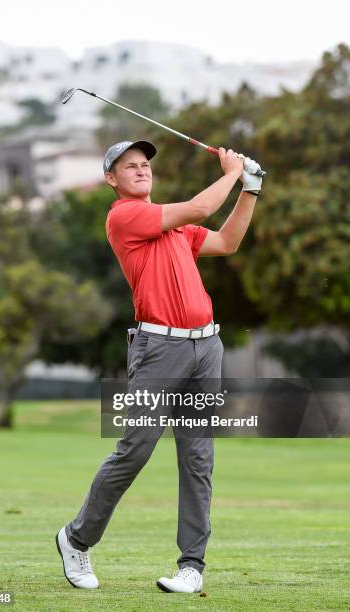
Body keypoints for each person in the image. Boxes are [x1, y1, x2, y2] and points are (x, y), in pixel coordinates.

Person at [56, 139, 263, 594]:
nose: (141, 170)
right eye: (129, 166)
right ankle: (76, 539)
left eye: (145, 163)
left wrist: (251, 189)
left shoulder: (175, 229)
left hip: (206, 346)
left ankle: (192, 565)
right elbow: (199, 208)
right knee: (136, 450)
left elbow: (227, 242)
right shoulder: (124, 217)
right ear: (112, 179)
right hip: (158, 351)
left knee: (198, 458)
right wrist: (231, 171)